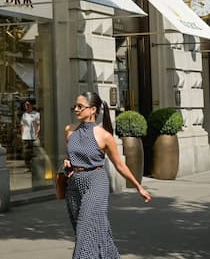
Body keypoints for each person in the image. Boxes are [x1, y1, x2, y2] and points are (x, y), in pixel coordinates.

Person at [64, 91, 151, 258]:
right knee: (93, 230)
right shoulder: (69, 131)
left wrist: (138, 186)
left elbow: (120, 165)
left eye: (80, 106)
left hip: (96, 182)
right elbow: (71, 155)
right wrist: (67, 160)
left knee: (85, 230)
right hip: (73, 185)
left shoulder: (104, 136)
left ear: (92, 110)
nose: (76, 109)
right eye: (75, 106)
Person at [20, 99, 40, 169]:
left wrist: (38, 132)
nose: (26, 106)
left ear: (31, 106)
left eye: (28, 105)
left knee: (33, 152)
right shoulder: (24, 115)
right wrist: (22, 135)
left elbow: (38, 124)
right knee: (26, 152)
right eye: (25, 105)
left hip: (33, 136)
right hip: (25, 136)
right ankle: (28, 165)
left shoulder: (36, 114)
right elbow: (22, 125)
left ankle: (33, 166)